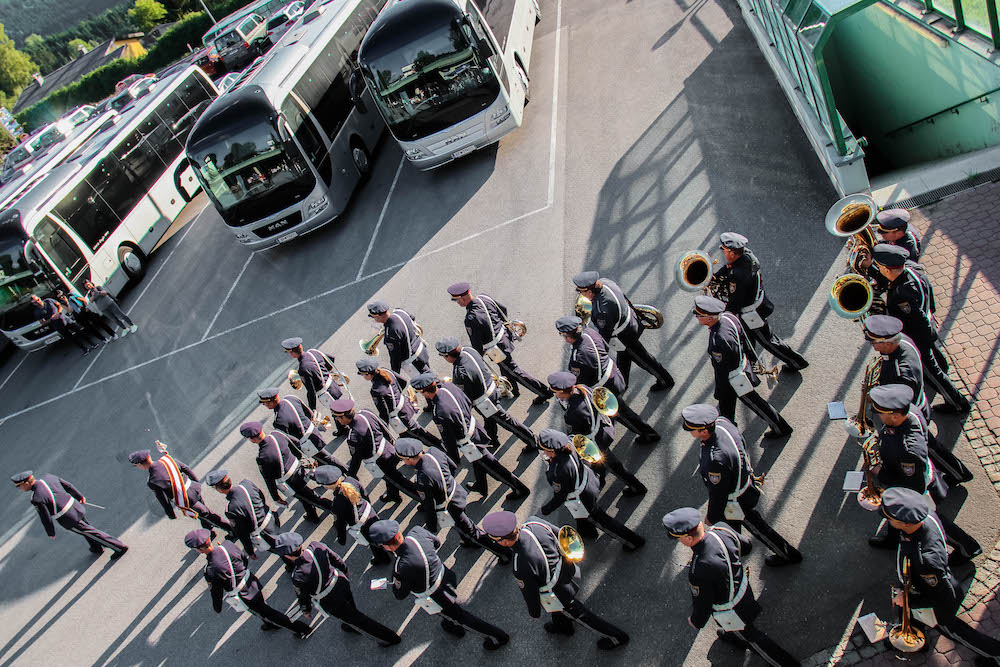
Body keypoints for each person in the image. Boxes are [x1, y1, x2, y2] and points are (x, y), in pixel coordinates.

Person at [662, 507, 799, 667]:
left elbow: (703, 603)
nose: (679, 541)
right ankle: (733, 634)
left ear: (688, 539)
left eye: (679, 538)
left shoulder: (698, 570)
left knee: (754, 639)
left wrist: (696, 621)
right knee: (744, 622)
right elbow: (746, 546)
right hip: (743, 589)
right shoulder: (721, 529)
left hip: (731, 610)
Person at [880, 487, 1000, 665]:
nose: (888, 521)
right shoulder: (927, 518)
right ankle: (916, 640)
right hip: (920, 588)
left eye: (890, 519)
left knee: (955, 631)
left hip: (937, 604)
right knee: (910, 615)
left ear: (906, 523)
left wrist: (907, 600)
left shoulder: (925, 561)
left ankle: (994, 654)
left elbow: (942, 597)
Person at [480, 511, 629, 650]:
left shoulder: (520, 565)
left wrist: (534, 613)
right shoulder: (534, 523)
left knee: (580, 614)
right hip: (565, 569)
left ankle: (616, 636)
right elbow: (562, 536)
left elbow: (530, 592)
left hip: (557, 590)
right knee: (560, 611)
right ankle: (563, 627)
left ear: (504, 541)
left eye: (495, 540)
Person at [866, 385, 981, 564]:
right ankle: (892, 539)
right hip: (910, 476)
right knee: (895, 512)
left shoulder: (908, 450)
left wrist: (880, 473)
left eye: (882, 414)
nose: (880, 417)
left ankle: (968, 547)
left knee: (928, 521)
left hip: (916, 489)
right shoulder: (909, 412)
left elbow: (910, 483)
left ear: (895, 415)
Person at [681, 403, 802, 567]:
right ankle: (737, 548)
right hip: (743, 483)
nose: (690, 433)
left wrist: (712, 516)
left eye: (691, 430)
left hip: (735, 498)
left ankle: (786, 553)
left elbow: (719, 494)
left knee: (754, 525)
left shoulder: (714, 460)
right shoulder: (723, 422)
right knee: (734, 526)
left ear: (703, 431)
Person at [862, 316, 973, 484]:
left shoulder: (900, 372)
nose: (873, 346)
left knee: (928, 447)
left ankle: (959, 473)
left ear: (887, 343)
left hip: (910, 412)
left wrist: (876, 397)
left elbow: (899, 401)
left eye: (874, 342)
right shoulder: (904, 341)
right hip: (913, 406)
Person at [369, 519, 511, 650]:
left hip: (436, 595)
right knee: (449, 616)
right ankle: (449, 623)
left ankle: (498, 636)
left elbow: (400, 594)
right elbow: (436, 542)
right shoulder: (416, 532)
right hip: (445, 575)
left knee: (460, 617)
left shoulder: (400, 568)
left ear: (386, 546)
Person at [871, 244, 969, 413]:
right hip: (927, 327)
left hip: (918, 338)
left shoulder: (902, 294)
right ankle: (942, 365)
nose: (879, 270)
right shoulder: (911, 269)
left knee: (933, 374)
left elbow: (916, 321)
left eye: (879, 267)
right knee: (935, 361)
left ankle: (958, 404)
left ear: (887, 269)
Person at [412, 373, 530, 500]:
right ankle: (481, 485)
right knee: (478, 463)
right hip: (473, 427)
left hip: (469, 443)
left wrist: (453, 460)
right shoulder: (448, 387)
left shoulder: (439, 412)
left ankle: (519, 488)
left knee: (493, 467)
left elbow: (449, 439)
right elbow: (467, 401)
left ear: (425, 392)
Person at [272, 532, 401, 646]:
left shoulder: (297, 576)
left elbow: (303, 597)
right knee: (350, 606)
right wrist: (345, 571)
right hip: (339, 580)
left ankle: (389, 638)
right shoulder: (315, 546)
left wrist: (306, 610)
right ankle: (350, 623)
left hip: (329, 599)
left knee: (359, 621)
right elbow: (336, 559)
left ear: (287, 556)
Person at [394, 438, 511, 563]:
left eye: (403, 459)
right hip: (456, 492)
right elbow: (453, 466)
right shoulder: (434, 451)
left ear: (410, 459)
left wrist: (432, 526)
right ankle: (469, 540)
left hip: (449, 507)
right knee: (466, 528)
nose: (403, 462)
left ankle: (503, 552)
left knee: (472, 531)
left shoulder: (422, 479)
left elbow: (429, 505)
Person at [693, 295, 792, 438]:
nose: (697, 318)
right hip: (741, 364)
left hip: (734, 378)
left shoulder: (718, 341)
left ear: (710, 318)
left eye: (699, 315)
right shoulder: (729, 317)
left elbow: (721, 371)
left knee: (756, 404)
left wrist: (719, 391)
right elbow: (743, 339)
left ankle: (781, 428)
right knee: (727, 410)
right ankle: (727, 432)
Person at [184, 528, 310, 637]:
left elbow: (216, 592)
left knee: (267, 612)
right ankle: (268, 622)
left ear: (200, 549)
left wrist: (217, 608)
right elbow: (244, 559)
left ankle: (300, 629)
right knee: (262, 608)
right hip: (250, 580)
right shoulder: (227, 545)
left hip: (244, 595)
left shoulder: (210, 570)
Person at [710, 233, 808, 371]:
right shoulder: (747, 255)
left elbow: (735, 304)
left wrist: (721, 313)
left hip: (751, 313)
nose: (723, 252)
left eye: (724, 250)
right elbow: (728, 268)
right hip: (757, 302)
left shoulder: (738, 275)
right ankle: (751, 362)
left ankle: (797, 362)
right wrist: (715, 279)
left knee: (768, 341)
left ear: (732, 253)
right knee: (747, 338)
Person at [537, 429, 645, 552]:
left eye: (545, 450)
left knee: (603, 521)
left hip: (582, 498)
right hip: (588, 480)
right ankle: (587, 531)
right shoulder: (569, 443)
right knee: (585, 518)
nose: (544, 452)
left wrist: (545, 510)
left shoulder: (557, 471)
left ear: (551, 451)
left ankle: (633, 541)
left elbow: (560, 495)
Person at [447, 282, 553, 405]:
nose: (457, 303)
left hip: (497, 350)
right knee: (506, 368)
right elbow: (503, 310)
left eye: (457, 300)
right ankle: (512, 389)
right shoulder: (484, 297)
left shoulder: (470, 318)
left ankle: (544, 392)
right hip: (504, 337)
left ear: (462, 298)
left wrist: (478, 359)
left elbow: (476, 344)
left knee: (515, 372)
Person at [556, 315, 660, 441]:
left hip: (605, 388)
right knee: (620, 409)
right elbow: (605, 347)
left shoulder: (578, 358)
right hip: (613, 375)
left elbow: (582, 381)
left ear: (567, 337)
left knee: (621, 413)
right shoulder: (590, 332)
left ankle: (648, 434)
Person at [546, 371, 647, 496]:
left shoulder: (573, 414)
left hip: (596, 441)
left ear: (562, 392)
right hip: (602, 429)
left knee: (615, 466)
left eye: (556, 393)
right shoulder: (582, 388)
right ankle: (600, 473)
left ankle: (637, 486)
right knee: (602, 463)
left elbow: (576, 436)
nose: (555, 395)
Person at [571, 271, 674, 389]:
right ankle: (623, 382)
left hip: (624, 337)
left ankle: (666, 380)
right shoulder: (606, 282)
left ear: (589, 292)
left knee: (644, 360)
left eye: (581, 292)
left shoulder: (601, 310)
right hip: (631, 322)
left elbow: (605, 334)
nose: (580, 294)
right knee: (623, 357)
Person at [435, 337, 539, 453]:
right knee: (489, 420)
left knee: (507, 422)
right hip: (491, 388)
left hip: (485, 402)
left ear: (447, 356)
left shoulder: (460, 372)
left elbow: (465, 397)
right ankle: (492, 439)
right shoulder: (469, 350)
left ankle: (532, 440)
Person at [12, 471, 128, 559]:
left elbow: (45, 517)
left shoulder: (36, 498)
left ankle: (118, 547)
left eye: (19, 486)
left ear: (26, 483)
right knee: (86, 527)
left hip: (67, 517)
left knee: (89, 531)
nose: (19, 489)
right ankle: (96, 547)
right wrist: (79, 496)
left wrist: (51, 532)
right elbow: (68, 486)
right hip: (75, 506)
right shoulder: (49, 477)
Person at [240, 421, 338, 523]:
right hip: (299, 469)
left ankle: (338, 510)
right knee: (305, 496)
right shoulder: (277, 434)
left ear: (252, 439)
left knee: (314, 499)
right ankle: (312, 515)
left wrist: (276, 497)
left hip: (290, 482)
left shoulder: (262, 457)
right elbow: (296, 443)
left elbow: (269, 480)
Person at [330, 397, 419, 504]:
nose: (337, 420)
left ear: (343, 417)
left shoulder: (353, 436)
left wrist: (350, 478)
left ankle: (423, 499)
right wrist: (390, 444)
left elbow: (356, 460)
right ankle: (393, 494)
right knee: (392, 479)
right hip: (389, 449)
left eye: (337, 418)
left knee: (400, 482)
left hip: (380, 462)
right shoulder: (366, 412)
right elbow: (384, 427)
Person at [127, 449, 232, 534]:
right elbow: (186, 469)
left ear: (141, 465)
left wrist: (170, 514)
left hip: (187, 499)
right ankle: (207, 529)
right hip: (193, 488)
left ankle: (230, 530)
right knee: (203, 511)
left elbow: (163, 500)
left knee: (207, 515)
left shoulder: (152, 481)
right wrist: (196, 482)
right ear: (149, 457)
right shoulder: (167, 459)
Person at [356, 357, 443, 451]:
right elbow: (403, 382)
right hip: (404, 406)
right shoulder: (386, 371)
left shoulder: (376, 390)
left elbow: (384, 413)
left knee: (419, 434)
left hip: (400, 417)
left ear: (368, 374)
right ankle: (416, 452)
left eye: (363, 375)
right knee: (410, 435)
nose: (363, 377)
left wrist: (386, 432)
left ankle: (441, 448)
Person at [310, 466, 390, 566]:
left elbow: (341, 523)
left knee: (373, 542)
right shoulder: (350, 480)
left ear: (326, 486)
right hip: (369, 511)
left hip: (361, 523)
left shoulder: (337, 503)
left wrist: (341, 539)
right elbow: (364, 494)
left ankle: (383, 558)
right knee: (380, 531)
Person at [204, 470, 280, 559]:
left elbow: (242, 533)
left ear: (220, 490)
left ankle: (292, 563)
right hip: (271, 519)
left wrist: (250, 551)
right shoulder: (246, 483)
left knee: (280, 549)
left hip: (264, 533)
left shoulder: (231, 509)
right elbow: (261, 497)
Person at [258, 388, 347, 461]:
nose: (264, 405)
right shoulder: (290, 398)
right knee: (324, 460)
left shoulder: (278, 421)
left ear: (270, 402)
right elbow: (309, 414)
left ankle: (348, 473)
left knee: (327, 460)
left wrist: (298, 456)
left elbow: (291, 442)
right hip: (314, 432)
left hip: (307, 444)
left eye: (264, 403)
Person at [281, 337, 344, 414]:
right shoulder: (313, 352)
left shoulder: (303, 368)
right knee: (343, 410)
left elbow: (311, 391)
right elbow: (331, 359)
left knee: (339, 416)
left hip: (328, 395)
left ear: (292, 353)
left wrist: (312, 409)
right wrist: (324, 373)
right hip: (334, 386)